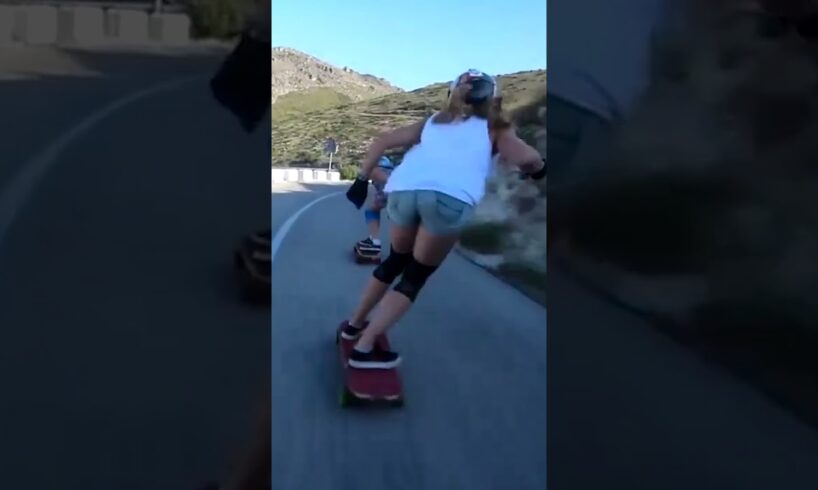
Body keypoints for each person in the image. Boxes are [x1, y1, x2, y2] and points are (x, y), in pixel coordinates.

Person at [341, 69, 546, 369]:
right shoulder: (496, 128)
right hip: (448, 200)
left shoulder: (434, 121)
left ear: (453, 94)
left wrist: (360, 180)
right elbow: (526, 158)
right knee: (415, 275)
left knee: (395, 261)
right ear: (493, 98)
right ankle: (364, 347)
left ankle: (353, 325)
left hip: (403, 191)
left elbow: (384, 140)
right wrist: (540, 170)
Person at [354, 155, 396, 256]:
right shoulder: (392, 170)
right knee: (373, 207)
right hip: (393, 194)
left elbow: (388, 181)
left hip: (396, 194)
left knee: (375, 209)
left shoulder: (377, 170)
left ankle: (375, 241)